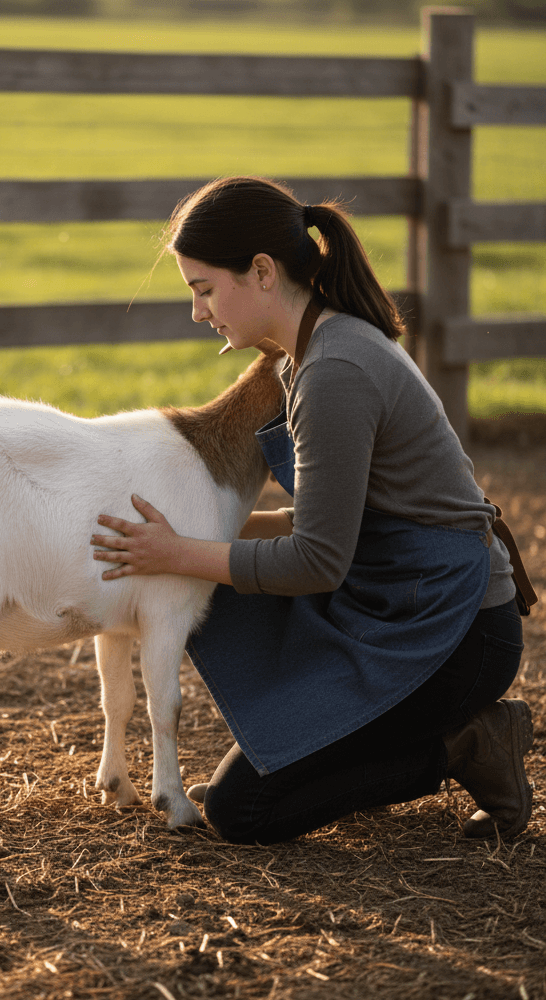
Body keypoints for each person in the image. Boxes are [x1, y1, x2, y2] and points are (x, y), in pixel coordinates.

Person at [90, 176, 535, 845]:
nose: (197, 311)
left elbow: (318, 559)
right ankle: (329, 756)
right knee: (222, 589)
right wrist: (201, 533)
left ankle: (470, 744)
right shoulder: (309, 354)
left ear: (262, 272)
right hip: (392, 598)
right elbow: (327, 524)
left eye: (203, 288)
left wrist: (180, 552)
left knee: (246, 811)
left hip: (457, 632)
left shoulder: (335, 371)